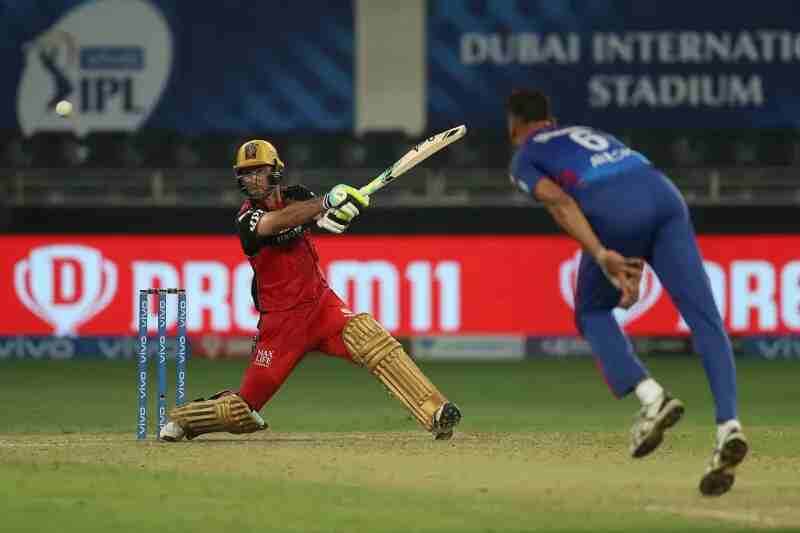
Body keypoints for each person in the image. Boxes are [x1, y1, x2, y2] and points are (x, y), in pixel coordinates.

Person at [505, 89, 747, 496]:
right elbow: (632, 190)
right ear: (550, 118)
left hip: (612, 205)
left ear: (513, 123)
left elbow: (561, 203)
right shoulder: (588, 133)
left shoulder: (525, 157)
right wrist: (630, 261)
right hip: (662, 194)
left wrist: (602, 254)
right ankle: (729, 426)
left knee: (591, 312)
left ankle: (652, 398)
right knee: (705, 318)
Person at [160, 139, 461, 442]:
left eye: (259, 171)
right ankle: (186, 419)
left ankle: (435, 411)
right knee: (240, 411)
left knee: (370, 338)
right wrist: (327, 202)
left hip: (322, 306)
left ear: (275, 171)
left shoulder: (299, 196)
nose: (252, 180)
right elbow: (278, 222)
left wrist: (342, 211)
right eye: (246, 174)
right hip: (282, 326)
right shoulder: (246, 219)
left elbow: (321, 216)